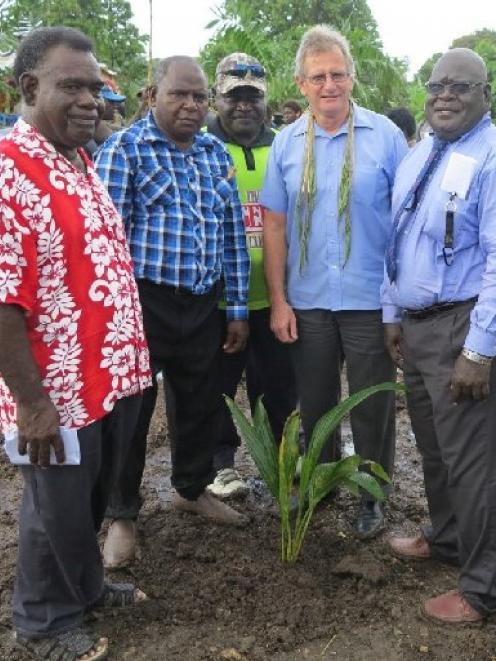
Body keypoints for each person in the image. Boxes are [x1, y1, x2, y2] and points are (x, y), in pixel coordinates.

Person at [0, 26, 152, 660]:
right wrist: (32, 402)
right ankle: (42, 622)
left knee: (81, 499)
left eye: (96, 88)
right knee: (51, 509)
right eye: (73, 86)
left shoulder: (75, 159)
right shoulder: (12, 173)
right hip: (51, 390)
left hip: (98, 377)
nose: (92, 100)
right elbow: (4, 301)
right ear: (29, 87)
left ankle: (85, 587)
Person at [95, 55, 250, 568]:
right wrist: (115, 318)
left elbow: (229, 233)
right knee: (131, 411)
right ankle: (120, 513)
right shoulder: (125, 151)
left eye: (199, 97)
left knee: (200, 400)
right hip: (144, 300)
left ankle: (190, 486)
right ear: (151, 95)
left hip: (204, 300)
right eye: (179, 95)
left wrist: (236, 308)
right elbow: (107, 244)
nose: (191, 105)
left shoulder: (212, 152)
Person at [260, 25, 408, 538]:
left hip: (369, 298)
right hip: (310, 301)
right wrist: (278, 300)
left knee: (372, 402)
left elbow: (404, 221)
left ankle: (372, 492)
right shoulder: (285, 144)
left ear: (352, 78)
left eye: (338, 74)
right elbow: (274, 225)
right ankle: (319, 483)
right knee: (317, 401)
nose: (330, 85)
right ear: (301, 83)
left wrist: (400, 303)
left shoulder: (386, 137)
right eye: (318, 76)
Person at [382, 48, 496, 624]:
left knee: (473, 461)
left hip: (463, 327)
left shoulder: (492, 156)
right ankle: (447, 538)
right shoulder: (420, 151)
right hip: (417, 327)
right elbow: (395, 237)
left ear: (485, 94)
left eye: (461, 86)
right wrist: (391, 314)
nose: (445, 95)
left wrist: (480, 349)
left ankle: (482, 588)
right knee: (432, 449)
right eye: (436, 85)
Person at [205, 53, 297, 499]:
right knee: (218, 388)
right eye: (233, 97)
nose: (244, 105)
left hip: (278, 297)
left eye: (253, 97)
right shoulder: (201, 147)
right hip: (218, 300)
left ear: (266, 101)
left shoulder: (286, 146)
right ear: (216, 98)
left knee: (278, 388)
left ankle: (281, 460)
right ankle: (221, 466)